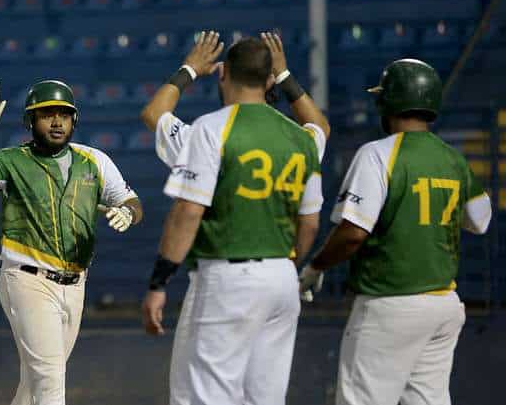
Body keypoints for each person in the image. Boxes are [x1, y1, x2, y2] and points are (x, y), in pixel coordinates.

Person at [139, 30, 332, 405]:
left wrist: (189, 69)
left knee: (205, 397)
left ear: (223, 72)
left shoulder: (208, 131)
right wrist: (287, 75)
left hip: (227, 279)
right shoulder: (302, 139)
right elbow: (310, 222)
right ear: (269, 79)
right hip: (281, 278)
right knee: (263, 398)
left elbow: (156, 117)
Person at [298, 58, 492, 405]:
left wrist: (316, 267)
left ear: (387, 102)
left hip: (390, 306)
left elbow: (353, 232)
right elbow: (481, 219)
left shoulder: (377, 154)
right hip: (443, 306)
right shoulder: (452, 158)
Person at [0, 79, 143, 405]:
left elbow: (132, 201)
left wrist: (127, 211)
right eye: (46, 114)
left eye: (64, 115)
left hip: (76, 283)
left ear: (74, 120)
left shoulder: (94, 160)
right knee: (51, 382)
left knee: (34, 385)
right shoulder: (12, 160)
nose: (56, 122)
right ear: (30, 121)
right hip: (28, 279)